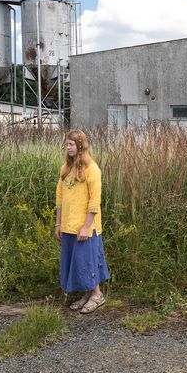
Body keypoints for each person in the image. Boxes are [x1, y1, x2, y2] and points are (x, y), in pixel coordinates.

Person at [54, 129, 110, 314]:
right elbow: (60, 198)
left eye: (71, 144)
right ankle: (87, 293)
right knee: (77, 262)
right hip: (69, 225)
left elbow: (95, 202)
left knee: (86, 261)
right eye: (66, 144)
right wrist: (58, 223)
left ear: (80, 145)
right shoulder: (66, 169)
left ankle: (97, 295)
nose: (67, 147)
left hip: (85, 226)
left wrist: (86, 226)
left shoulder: (92, 169)